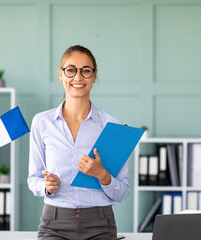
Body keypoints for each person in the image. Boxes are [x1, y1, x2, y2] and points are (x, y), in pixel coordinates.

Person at [27, 45, 130, 240]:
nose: (78, 77)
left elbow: (122, 192)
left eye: (86, 71)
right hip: (54, 223)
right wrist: (47, 187)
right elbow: (33, 179)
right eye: (71, 70)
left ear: (94, 75)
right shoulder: (42, 122)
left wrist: (102, 175)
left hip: (100, 223)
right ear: (61, 74)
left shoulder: (112, 126)